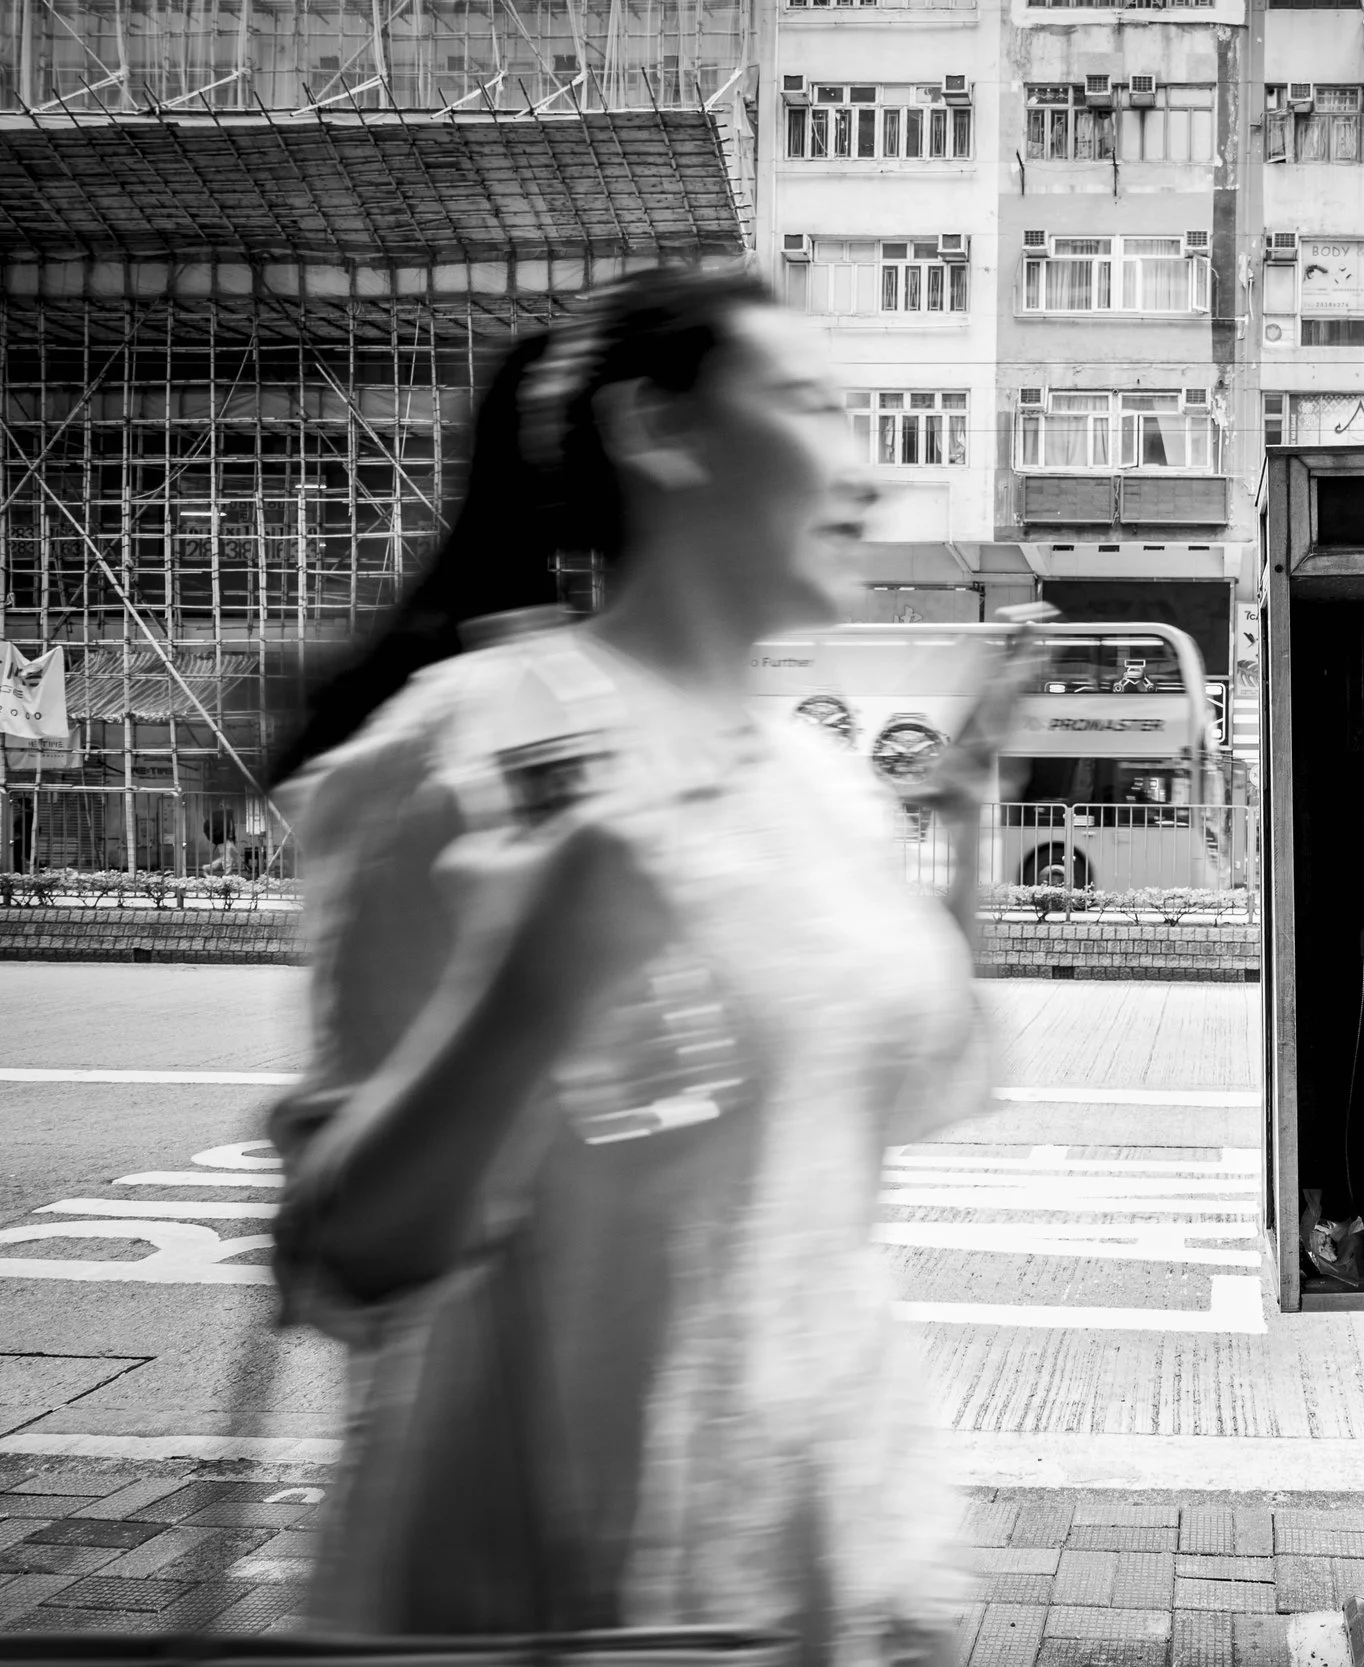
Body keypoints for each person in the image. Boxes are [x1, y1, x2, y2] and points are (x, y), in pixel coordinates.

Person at [263, 267, 1021, 1661]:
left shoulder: (823, 782)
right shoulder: (474, 748)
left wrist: (961, 843)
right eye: (812, 403)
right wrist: (532, 988)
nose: (868, 466)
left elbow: (885, 1104)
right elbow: (344, 1259)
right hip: (566, 1608)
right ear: (657, 431)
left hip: (822, 1588)